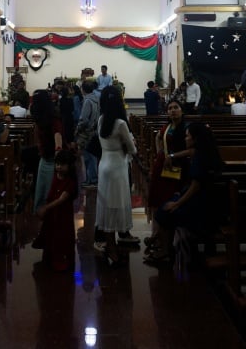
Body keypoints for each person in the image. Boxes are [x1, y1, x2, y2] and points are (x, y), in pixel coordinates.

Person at [145, 122, 224, 267]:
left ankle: (165, 252)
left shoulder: (200, 158)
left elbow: (195, 186)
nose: (185, 139)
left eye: (187, 136)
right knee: (168, 204)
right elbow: (188, 153)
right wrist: (171, 155)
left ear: (195, 139)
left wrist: (177, 203)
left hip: (200, 207)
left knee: (163, 212)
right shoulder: (205, 151)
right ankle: (163, 244)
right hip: (207, 202)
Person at [94, 84, 138, 266]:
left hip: (104, 165)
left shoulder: (101, 119)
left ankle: (109, 243)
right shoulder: (120, 123)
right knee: (117, 203)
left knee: (106, 204)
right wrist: (132, 142)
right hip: (118, 166)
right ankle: (113, 246)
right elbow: (132, 149)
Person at [145, 99, 188, 253]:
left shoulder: (187, 128)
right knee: (158, 199)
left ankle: (165, 241)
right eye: (170, 108)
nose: (172, 110)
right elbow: (158, 137)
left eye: (176, 107)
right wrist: (160, 154)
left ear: (182, 110)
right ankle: (158, 235)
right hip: (163, 168)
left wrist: (172, 155)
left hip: (179, 168)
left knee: (169, 200)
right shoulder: (167, 127)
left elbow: (192, 149)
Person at [33, 148, 79, 272]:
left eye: (62, 165)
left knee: (61, 236)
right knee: (51, 233)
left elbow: (62, 199)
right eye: (57, 164)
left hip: (63, 214)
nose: (58, 167)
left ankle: (61, 260)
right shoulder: (56, 175)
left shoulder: (70, 182)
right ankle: (49, 257)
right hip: (53, 213)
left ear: (69, 166)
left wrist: (45, 207)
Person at [31, 89, 58, 214]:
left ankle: (46, 210)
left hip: (52, 157)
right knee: (43, 188)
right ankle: (43, 209)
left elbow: (58, 135)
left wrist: (58, 151)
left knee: (49, 189)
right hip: (46, 156)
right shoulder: (45, 115)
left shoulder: (51, 117)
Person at [75, 80, 100, 186]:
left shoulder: (87, 101)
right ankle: (93, 177)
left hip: (86, 132)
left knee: (87, 156)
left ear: (83, 89)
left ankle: (92, 179)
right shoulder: (96, 99)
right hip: (94, 129)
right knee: (92, 155)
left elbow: (84, 118)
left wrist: (78, 128)